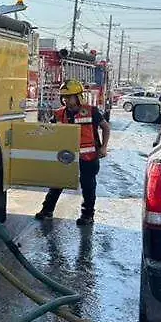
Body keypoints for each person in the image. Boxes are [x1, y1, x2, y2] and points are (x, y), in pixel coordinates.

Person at [35, 79, 110, 226]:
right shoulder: (59, 114)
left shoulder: (91, 111)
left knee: (88, 186)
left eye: (69, 97)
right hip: (67, 156)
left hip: (88, 157)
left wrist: (103, 147)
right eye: (64, 97)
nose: (66, 100)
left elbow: (105, 128)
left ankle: (87, 215)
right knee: (57, 182)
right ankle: (47, 210)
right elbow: (50, 131)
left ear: (78, 96)